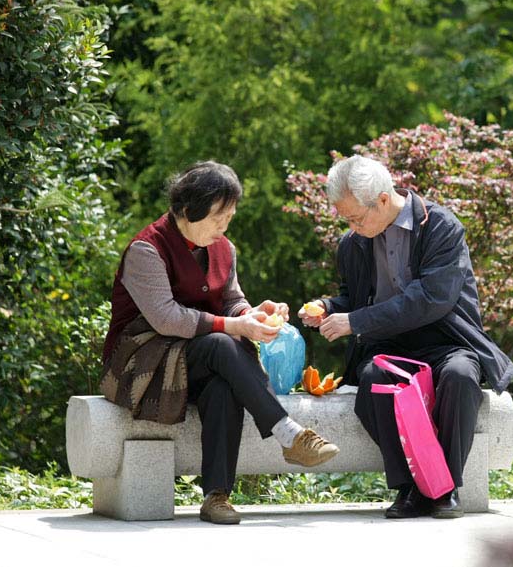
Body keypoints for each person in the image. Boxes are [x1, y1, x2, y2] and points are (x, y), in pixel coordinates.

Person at [100, 161, 339, 525]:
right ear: (185, 210)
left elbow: (231, 300)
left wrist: (253, 312)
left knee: (223, 384)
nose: (223, 227)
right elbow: (167, 318)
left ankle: (217, 495)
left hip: (200, 356)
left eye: (229, 217)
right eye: (216, 218)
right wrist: (234, 325)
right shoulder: (146, 251)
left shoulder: (224, 249)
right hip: (144, 358)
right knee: (223, 345)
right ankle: (288, 434)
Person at [299, 155, 513, 519]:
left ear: (383, 200)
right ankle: (410, 487)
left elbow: (431, 300)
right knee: (372, 381)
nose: (351, 227)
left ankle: (445, 487)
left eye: (356, 217)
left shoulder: (441, 227)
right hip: (389, 345)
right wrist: (325, 306)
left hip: (448, 339)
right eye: (345, 219)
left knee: (460, 378)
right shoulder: (354, 243)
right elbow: (353, 298)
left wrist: (355, 320)